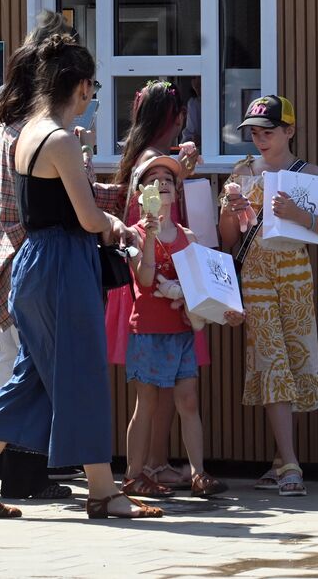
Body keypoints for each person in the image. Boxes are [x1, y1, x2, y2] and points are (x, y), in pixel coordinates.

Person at [0, 36, 161, 520]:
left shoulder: (24, 132)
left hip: (35, 263)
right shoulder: (61, 140)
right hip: (63, 264)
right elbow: (88, 219)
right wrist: (121, 227)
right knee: (81, 375)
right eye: (94, 87)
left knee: (32, 377)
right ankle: (104, 492)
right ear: (83, 87)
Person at [0, 10, 78, 500]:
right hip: (9, 235)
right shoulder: (25, 113)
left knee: (16, 347)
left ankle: (11, 465)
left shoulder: (11, 104)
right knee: (21, 348)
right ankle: (17, 467)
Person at [218, 95, 318, 497]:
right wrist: (229, 209)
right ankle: (291, 463)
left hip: (295, 275)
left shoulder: (308, 174)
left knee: (294, 358)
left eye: (267, 131)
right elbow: (227, 240)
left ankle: (279, 460)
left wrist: (298, 215)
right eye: (254, 133)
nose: (259, 139)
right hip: (255, 275)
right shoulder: (241, 172)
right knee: (272, 359)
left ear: (289, 130)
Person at [99, 79, 204, 492]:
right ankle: (150, 466)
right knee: (155, 395)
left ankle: (153, 467)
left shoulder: (141, 156)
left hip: (160, 291)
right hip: (151, 290)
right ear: (171, 116)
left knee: (168, 392)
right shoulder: (152, 159)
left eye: (169, 183)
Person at [123, 155, 243, 498]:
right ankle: (134, 475)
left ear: (176, 193)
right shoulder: (134, 234)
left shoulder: (189, 236)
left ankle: (198, 473)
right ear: (139, 193)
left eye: (168, 179)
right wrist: (149, 236)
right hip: (147, 329)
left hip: (182, 330)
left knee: (188, 401)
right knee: (145, 403)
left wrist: (228, 310)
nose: (162, 183)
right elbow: (144, 280)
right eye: (153, 178)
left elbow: (204, 284)